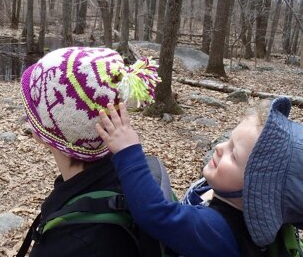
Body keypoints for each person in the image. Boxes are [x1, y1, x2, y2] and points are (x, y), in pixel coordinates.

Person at [96, 98, 303, 257]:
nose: (220, 148)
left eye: (234, 154)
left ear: (258, 195)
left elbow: (154, 213)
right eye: (228, 140)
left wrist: (128, 151)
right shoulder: (239, 208)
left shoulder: (218, 232)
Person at [18, 47, 161, 257]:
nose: (27, 113)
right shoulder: (128, 179)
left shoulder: (71, 244)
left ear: (53, 128)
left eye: (34, 103)